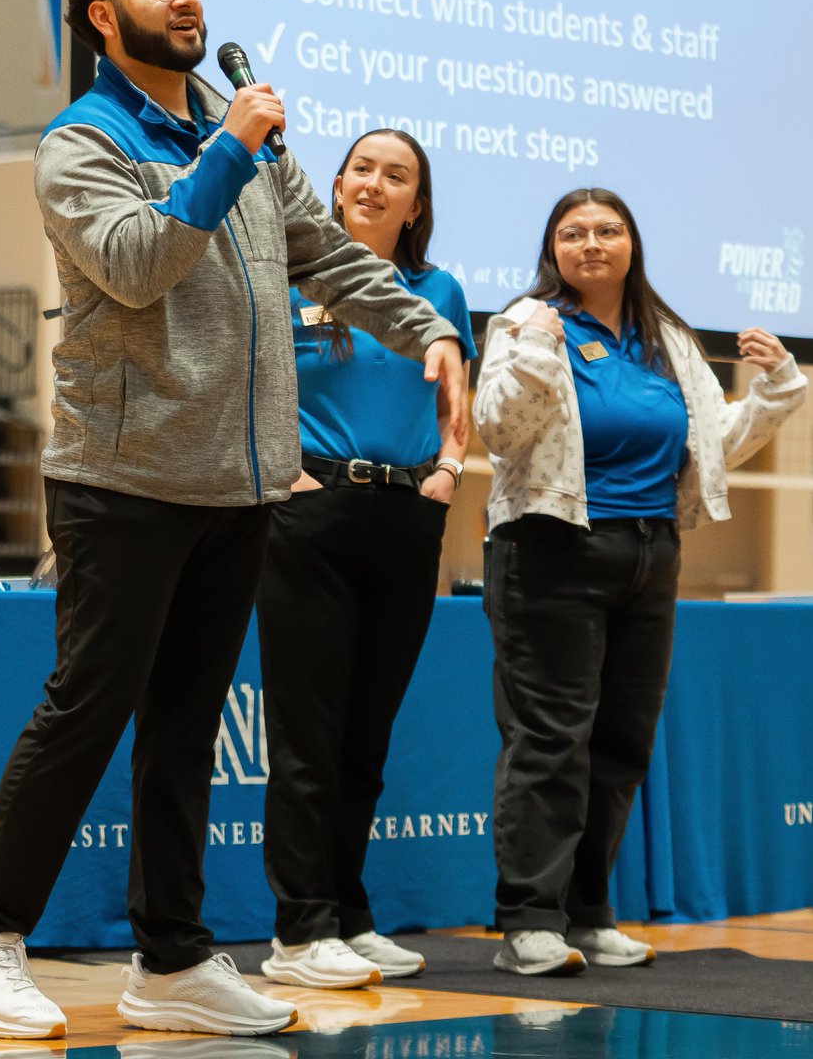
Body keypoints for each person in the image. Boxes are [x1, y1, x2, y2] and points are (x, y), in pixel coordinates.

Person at [0, 0, 467, 1042]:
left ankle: (169, 958)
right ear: (103, 16)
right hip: (122, 477)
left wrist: (426, 327)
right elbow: (135, 265)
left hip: (237, 480)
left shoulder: (234, 125)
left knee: (187, 726)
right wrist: (228, 152)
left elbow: (322, 252)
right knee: (89, 708)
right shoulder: (84, 142)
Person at [473, 187, 806, 977]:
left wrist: (776, 389)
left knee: (621, 742)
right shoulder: (525, 322)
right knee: (550, 739)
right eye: (573, 233)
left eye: (607, 230)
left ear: (631, 245)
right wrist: (537, 351)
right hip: (550, 549)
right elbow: (498, 430)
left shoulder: (669, 339)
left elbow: (711, 443)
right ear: (552, 249)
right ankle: (529, 922)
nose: (591, 243)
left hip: (652, 553)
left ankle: (588, 914)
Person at [255, 130, 476, 990]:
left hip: (407, 518)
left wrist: (448, 474)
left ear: (417, 205)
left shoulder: (439, 291)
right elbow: (251, 382)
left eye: (397, 176)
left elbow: (457, 401)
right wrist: (288, 475)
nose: (375, 184)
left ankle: (348, 914)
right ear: (337, 184)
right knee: (308, 735)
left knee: (365, 737)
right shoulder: (290, 276)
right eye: (362, 169)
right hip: (312, 514)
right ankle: (300, 929)